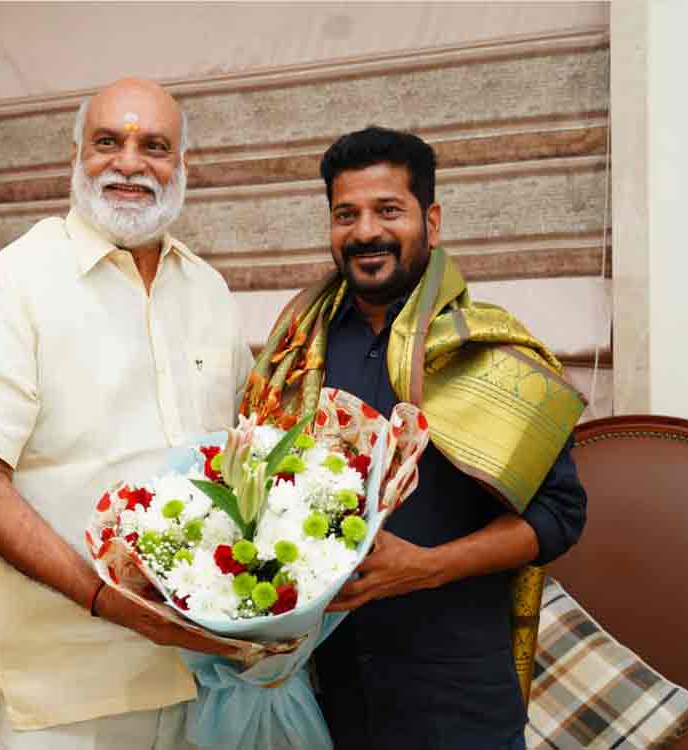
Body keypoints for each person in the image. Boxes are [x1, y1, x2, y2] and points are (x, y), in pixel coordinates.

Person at [0, 77, 253, 750]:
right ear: (77, 156)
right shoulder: (13, 285)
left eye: (155, 146)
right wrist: (111, 603)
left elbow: (243, 464)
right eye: (109, 141)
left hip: (207, 684)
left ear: (183, 166)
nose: (130, 163)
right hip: (69, 698)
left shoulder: (209, 291)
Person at [241, 126, 589, 750]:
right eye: (346, 214)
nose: (366, 231)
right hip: (323, 696)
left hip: (455, 701)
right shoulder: (296, 349)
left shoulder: (490, 354)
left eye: (388, 210)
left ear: (431, 222)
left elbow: (560, 516)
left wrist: (427, 568)